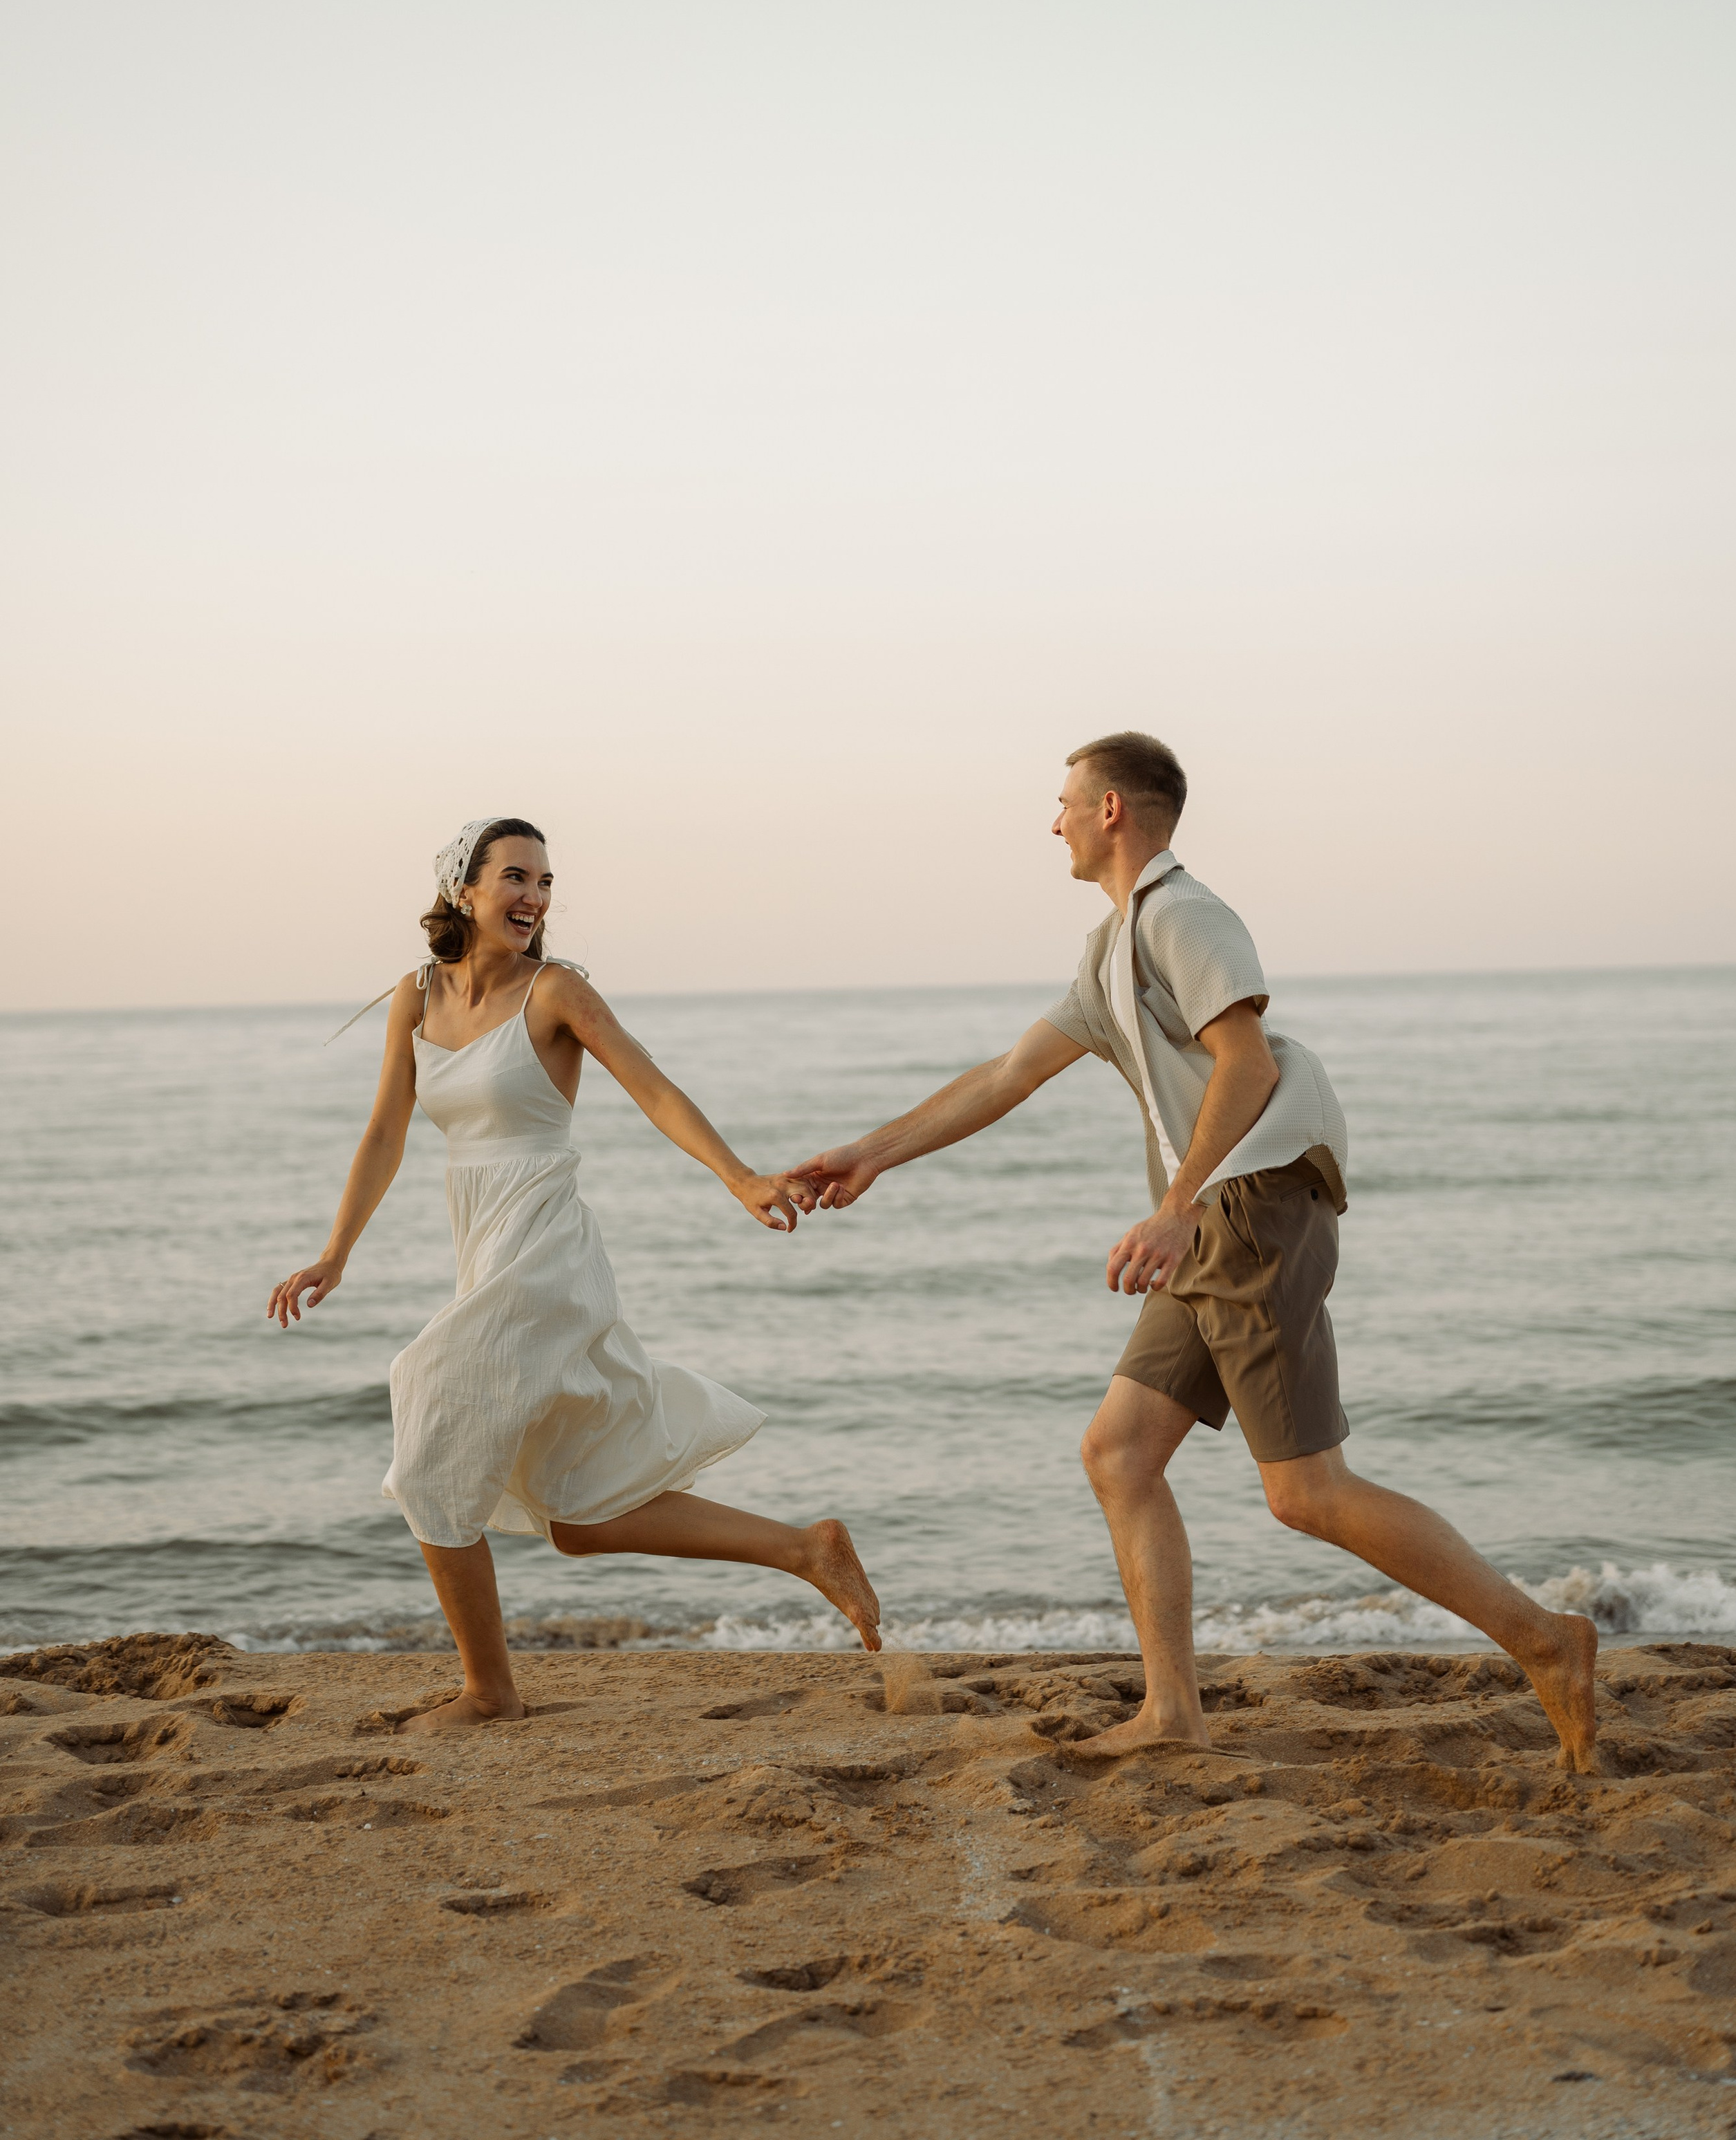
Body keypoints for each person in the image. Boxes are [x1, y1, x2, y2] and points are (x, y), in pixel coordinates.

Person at [788, 734, 1597, 1769]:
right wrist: (871, 1155)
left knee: (1306, 1491)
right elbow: (1008, 1074)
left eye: (1065, 803)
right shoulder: (1112, 947)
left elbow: (1248, 1061)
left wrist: (1176, 1206)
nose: (1055, 822)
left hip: (1245, 1208)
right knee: (1120, 1454)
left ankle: (1548, 1642)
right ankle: (1174, 1710)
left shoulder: (1183, 915)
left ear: (1113, 809)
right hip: (1215, 1216)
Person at [270, 815, 879, 1729]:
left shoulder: (554, 992)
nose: (536, 897)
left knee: (426, 1406)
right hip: (487, 1254)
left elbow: (654, 1089)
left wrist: (739, 1176)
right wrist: (336, 1251)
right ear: (462, 890)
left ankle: (489, 1692)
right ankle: (807, 1549)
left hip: (547, 1251)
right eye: (517, 876)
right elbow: (385, 1132)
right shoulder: (415, 998)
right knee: (579, 1517)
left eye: (546, 883)